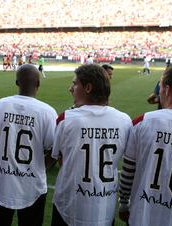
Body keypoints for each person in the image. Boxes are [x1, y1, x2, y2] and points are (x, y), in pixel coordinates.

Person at [50, 64, 132, 226]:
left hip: (69, 206)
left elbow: (60, 158)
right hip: (104, 207)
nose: (70, 88)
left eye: (75, 84)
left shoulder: (66, 119)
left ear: (87, 88)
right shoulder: (125, 121)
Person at [119, 64, 172, 226]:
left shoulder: (142, 122)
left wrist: (124, 203)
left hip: (143, 215)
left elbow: (128, 172)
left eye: (160, 86)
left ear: (167, 89)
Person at [0, 64, 57, 226]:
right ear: (38, 84)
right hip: (32, 186)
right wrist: (41, 167)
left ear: (16, 82)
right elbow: (54, 150)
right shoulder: (47, 112)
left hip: (3, 182)